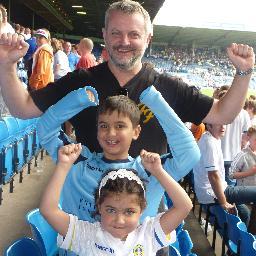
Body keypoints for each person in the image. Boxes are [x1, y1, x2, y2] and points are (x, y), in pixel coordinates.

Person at [0, 0, 254, 157]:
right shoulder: (80, 81)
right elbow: (23, 109)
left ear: (148, 39)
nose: (124, 42)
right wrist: (6, 64)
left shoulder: (168, 87)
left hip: (148, 219)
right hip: (87, 211)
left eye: (134, 34)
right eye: (116, 33)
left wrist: (243, 73)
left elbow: (222, 114)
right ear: (104, 35)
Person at [37, 84, 199, 255]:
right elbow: (45, 129)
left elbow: (190, 154)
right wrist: (78, 99)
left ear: (136, 131)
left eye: (120, 126)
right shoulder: (75, 160)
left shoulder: (151, 170)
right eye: (104, 126)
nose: (111, 133)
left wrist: (154, 100)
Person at [40, 143, 192, 255]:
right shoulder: (86, 235)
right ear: (99, 207)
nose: (119, 220)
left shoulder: (149, 234)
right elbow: (48, 210)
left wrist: (158, 172)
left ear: (142, 210)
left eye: (129, 211)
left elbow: (184, 206)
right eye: (111, 210)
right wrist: (63, 166)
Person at [193, 122, 256, 234]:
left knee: (245, 213)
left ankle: (244, 244)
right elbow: (213, 176)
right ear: (209, 125)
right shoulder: (209, 143)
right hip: (214, 193)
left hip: (218, 189)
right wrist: (223, 203)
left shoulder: (212, 138)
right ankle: (250, 245)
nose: (222, 127)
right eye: (219, 124)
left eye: (224, 124)